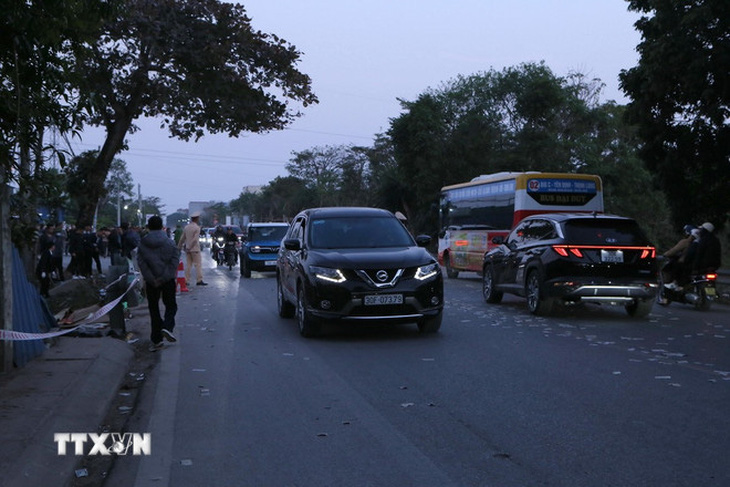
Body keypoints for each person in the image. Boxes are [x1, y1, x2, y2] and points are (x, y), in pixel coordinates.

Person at [137, 215, 181, 352]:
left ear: (148, 227)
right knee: (171, 305)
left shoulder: (143, 243)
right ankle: (167, 327)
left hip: (151, 282)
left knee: (154, 308)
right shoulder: (169, 242)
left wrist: (151, 278)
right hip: (167, 280)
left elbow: (142, 263)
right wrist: (164, 277)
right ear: (162, 226)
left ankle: (156, 340)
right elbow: (174, 262)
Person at [178, 212, 207, 285]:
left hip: (187, 249)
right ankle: (199, 280)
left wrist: (179, 247)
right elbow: (195, 240)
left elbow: (182, 238)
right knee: (198, 265)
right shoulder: (197, 228)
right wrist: (190, 247)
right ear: (197, 219)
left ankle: (186, 280)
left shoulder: (186, 227)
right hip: (195, 249)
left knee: (188, 265)